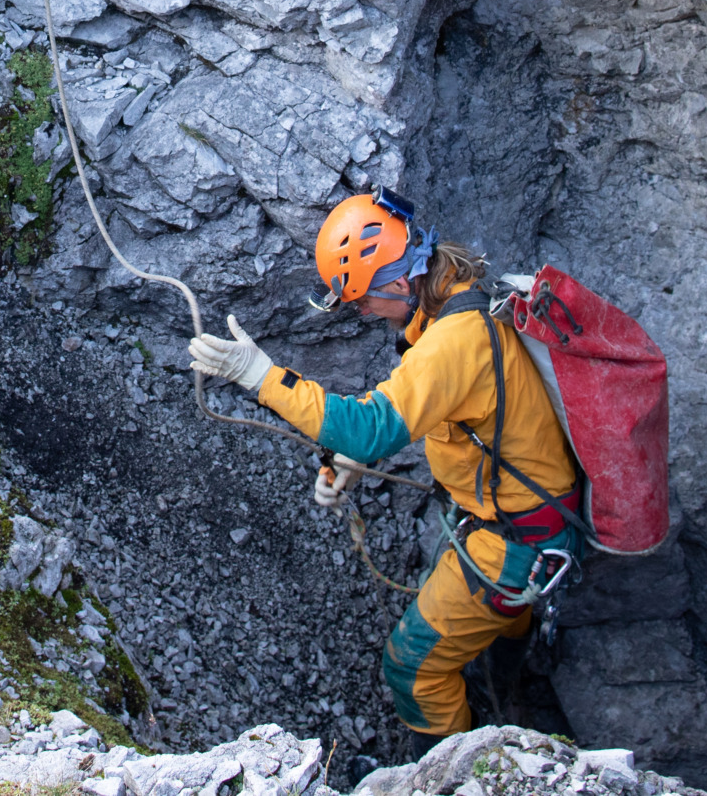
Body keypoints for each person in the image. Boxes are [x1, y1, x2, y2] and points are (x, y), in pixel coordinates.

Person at [189, 191, 582, 747]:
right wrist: (351, 459)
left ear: (398, 283)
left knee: (412, 667)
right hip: (527, 522)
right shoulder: (457, 301)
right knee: (502, 625)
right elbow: (440, 410)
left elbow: (373, 428)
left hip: (514, 542)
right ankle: (505, 687)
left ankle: (455, 776)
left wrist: (261, 377)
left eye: (363, 301)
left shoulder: (452, 340)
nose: (362, 311)